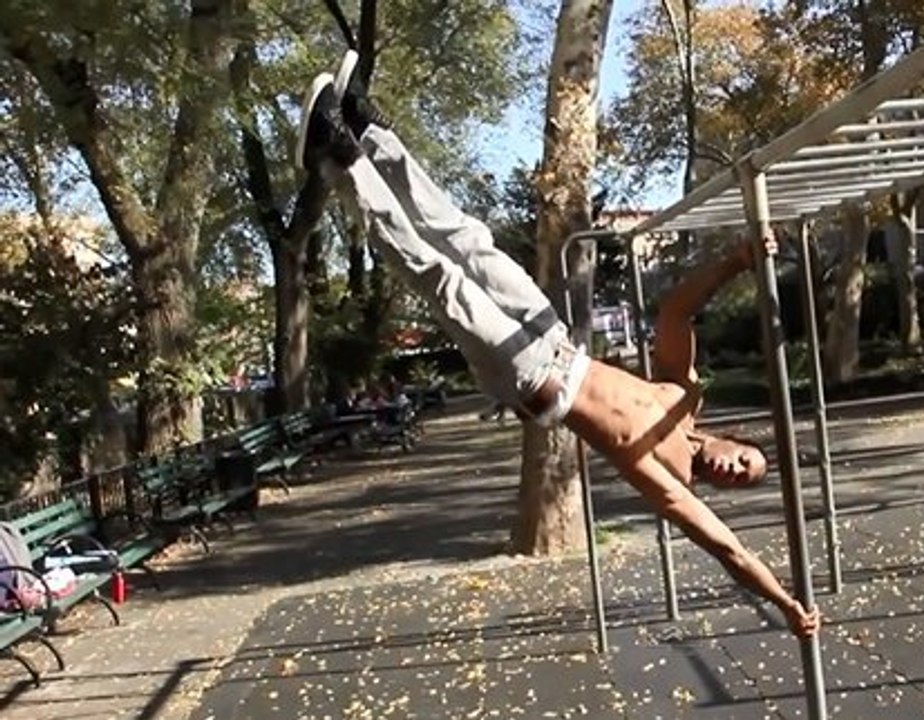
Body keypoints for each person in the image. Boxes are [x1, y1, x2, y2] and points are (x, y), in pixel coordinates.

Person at [295, 51, 820, 639]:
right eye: (743, 462)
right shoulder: (683, 394)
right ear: (736, 437)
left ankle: (337, 155)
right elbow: (676, 311)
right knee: (468, 239)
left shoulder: (672, 478)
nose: (730, 472)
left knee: (438, 274)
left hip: (531, 376)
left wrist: (782, 601)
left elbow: (728, 548)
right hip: (551, 335)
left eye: (736, 482)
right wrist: (738, 261)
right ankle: (371, 130)